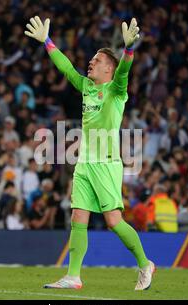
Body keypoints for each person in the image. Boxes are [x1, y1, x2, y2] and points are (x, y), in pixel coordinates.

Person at [25, 16, 155, 290]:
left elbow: (123, 73)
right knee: (78, 218)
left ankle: (145, 263)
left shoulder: (116, 90)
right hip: (84, 162)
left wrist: (128, 50)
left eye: (97, 61)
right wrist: (47, 42)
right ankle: (73, 275)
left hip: (107, 164)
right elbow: (68, 70)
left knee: (113, 222)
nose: (91, 63)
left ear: (109, 68)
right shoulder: (86, 87)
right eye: (92, 59)